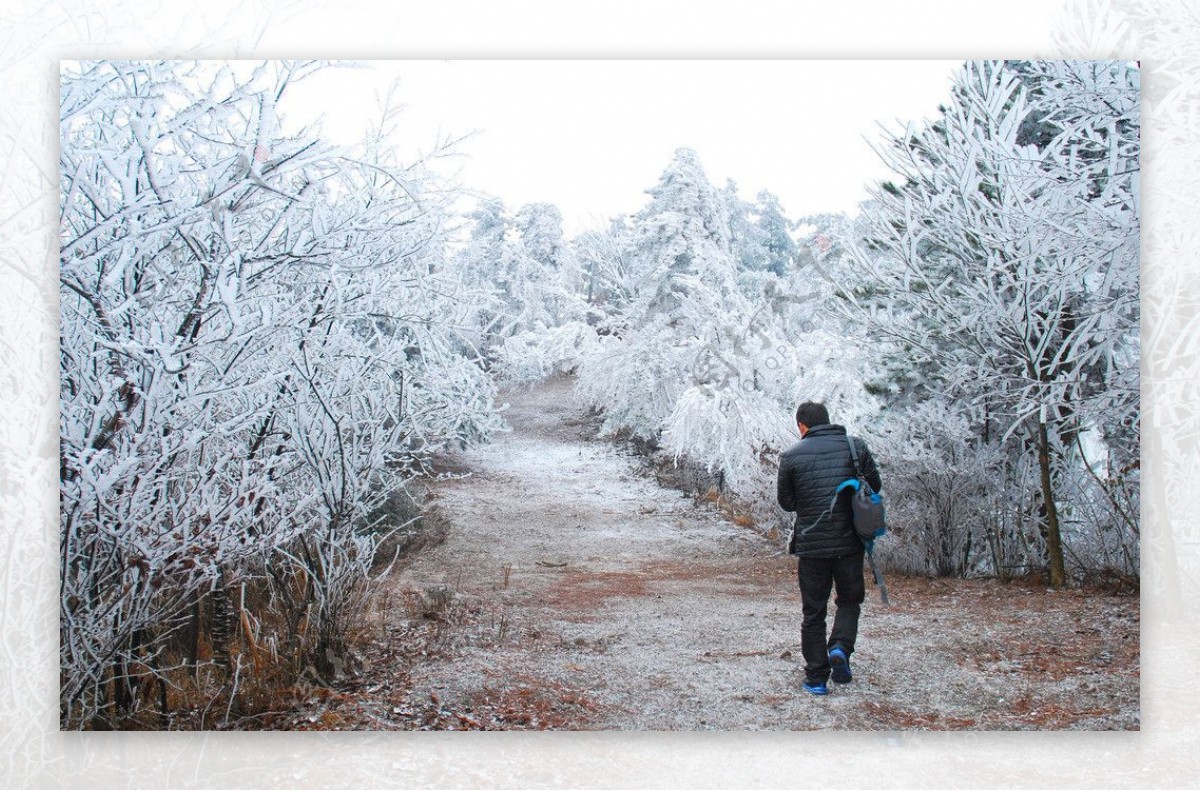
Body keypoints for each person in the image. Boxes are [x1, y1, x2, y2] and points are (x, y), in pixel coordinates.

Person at [776, 401, 882, 696]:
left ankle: (816, 678)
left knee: (814, 612)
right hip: (850, 542)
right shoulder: (854, 447)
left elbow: (787, 504)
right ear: (828, 420)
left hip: (812, 545)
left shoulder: (791, 457)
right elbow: (875, 484)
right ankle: (840, 647)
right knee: (849, 600)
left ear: (801, 426)